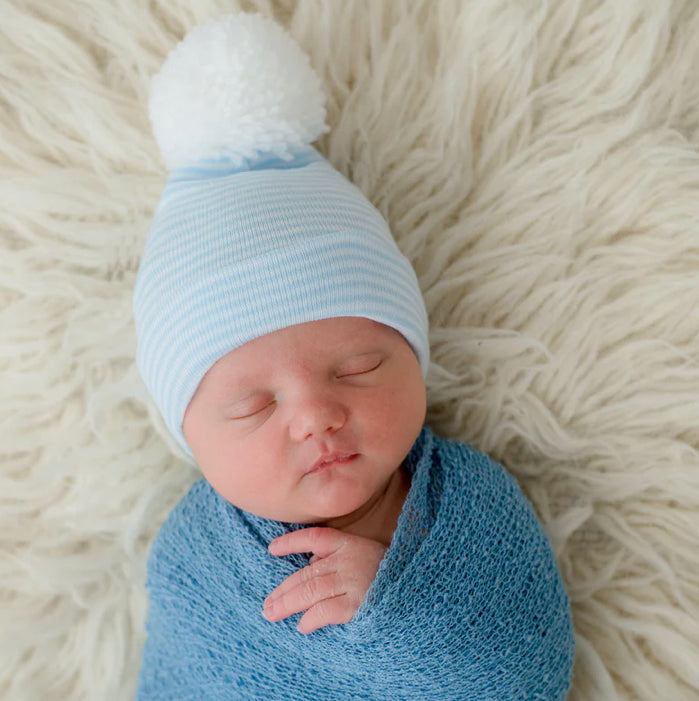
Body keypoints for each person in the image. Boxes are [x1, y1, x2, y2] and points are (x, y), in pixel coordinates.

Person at [133, 13, 575, 700]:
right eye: (252, 405)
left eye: (356, 367)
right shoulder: (196, 561)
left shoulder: (468, 506)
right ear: (189, 436)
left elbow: (528, 667)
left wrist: (401, 606)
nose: (315, 415)